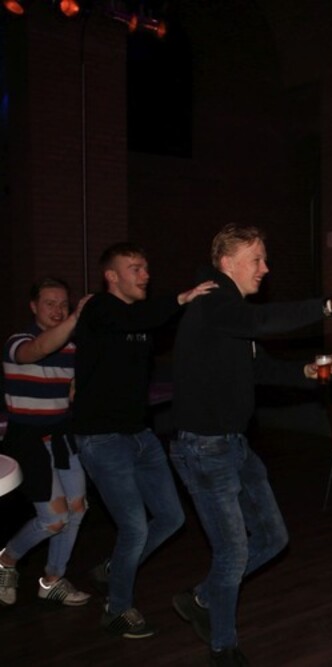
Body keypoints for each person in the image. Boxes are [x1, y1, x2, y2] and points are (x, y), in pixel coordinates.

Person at [170, 224, 332, 666]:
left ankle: (202, 597)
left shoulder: (230, 313)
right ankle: (223, 648)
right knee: (233, 549)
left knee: (273, 538)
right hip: (204, 448)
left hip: (233, 445)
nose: (265, 268)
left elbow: (260, 369)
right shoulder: (212, 302)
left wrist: (304, 372)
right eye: (256, 259)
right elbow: (263, 321)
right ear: (228, 263)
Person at [73, 242, 216, 638]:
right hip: (102, 438)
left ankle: (112, 569)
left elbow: (151, 325)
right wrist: (182, 297)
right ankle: (116, 609)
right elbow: (135, 318)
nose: (145, 275)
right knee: (134, 527)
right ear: (111, 276)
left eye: (145, 268)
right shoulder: (99, 308)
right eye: (134, 268)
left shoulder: (140, 318)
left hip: (139, 434)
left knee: (171, 518)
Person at [0, 279, 91, 608]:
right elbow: (38, 350)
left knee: (77, 509)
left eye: (64, 304)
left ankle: (52, 580)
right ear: (33, 307)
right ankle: (6, 561)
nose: (58, 309)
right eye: (50, 303)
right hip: (27, 440)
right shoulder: (18, 341)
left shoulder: (72, 349)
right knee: (54, 519)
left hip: (61, 437)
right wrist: (76, 318)